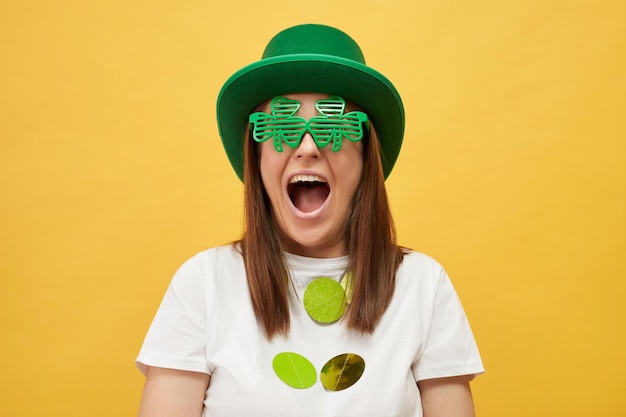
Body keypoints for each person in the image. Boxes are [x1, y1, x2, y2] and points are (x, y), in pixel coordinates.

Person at [136, 24, 484, 417]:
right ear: (258, 155)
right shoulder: (203, 283)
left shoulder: (423, 285)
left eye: (332, 125)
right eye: (282, 126)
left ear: (366, 155)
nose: (306, 147)